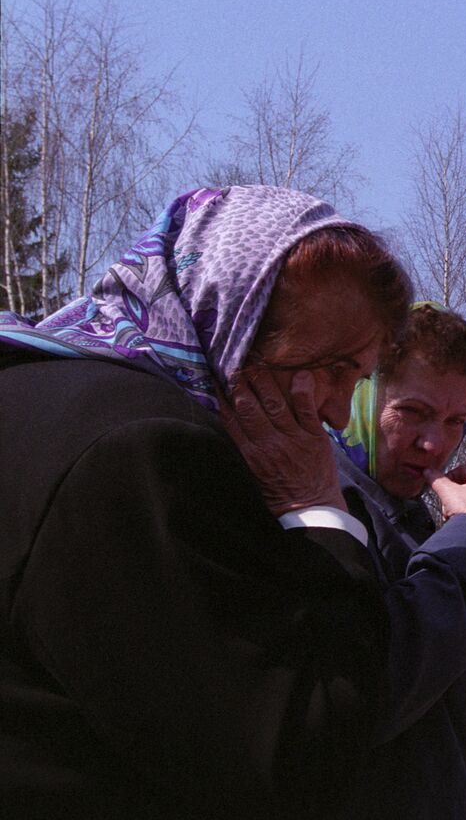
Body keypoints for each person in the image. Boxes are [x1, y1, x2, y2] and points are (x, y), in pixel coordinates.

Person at [0, 185, 412, 818]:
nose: (336, 413)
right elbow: (296, 758)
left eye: (357, 381)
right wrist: (320, 512)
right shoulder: (152, 456)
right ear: (234, 321)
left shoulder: (32, 385)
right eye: (335, 368)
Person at [329, 302, 466, 820]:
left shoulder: (404, 511)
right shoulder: (328, 512)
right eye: (412, 412)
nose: (435, 443)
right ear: (359, 394)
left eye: (457, 421)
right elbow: (366, 692)